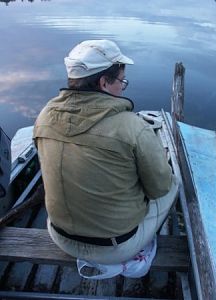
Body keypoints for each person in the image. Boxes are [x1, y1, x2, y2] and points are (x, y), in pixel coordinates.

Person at [33, 40, 179, 265]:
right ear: (103, 82)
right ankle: (141, 250)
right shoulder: (132, 126)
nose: (123, 87)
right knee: (172, 183)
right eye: (122, 81)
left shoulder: (44, 116)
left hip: (60, 237)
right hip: (115, 248)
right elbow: (159, 188)